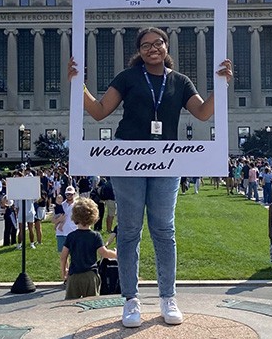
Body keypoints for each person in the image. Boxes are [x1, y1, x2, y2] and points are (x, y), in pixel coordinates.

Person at [68, 26, 232, 328]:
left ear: (167, 47)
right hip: (127, 161)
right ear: (139, 51)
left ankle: (168, 297)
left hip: (166, 162)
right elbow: (100, 111)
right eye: (146, 45)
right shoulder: (128, 77)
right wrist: (77, 84)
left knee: (164, 230)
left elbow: (203, 114)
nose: (152, 49)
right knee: (129, 231)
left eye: (158, 43)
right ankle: (130, 300)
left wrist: (220, 85)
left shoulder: (180, 81)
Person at [60, 198, 117, 299]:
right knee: (91, 304)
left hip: (74, 276)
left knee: (69, 305)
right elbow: (104, 253)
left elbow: (63, 256)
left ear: (75, 216)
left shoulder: (71, 236)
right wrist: (117, 254)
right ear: (94, 216)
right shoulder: (95, 236)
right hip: (90, 275)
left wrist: (64, 272)